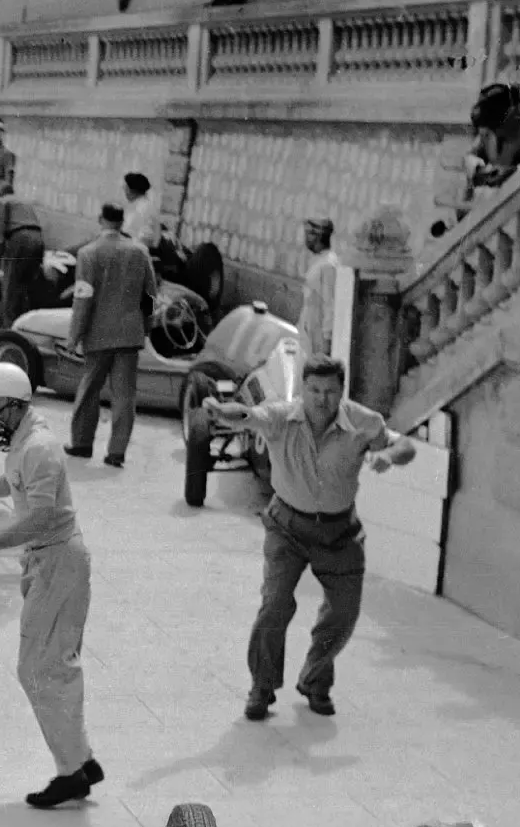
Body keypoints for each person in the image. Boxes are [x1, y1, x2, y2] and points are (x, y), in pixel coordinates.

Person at [200, 355, 417, 721]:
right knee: (275, 605)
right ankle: (261, 688)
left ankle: (315, 679)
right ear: (303, 389)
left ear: (342, 392)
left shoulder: (364, 422)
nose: (322, 399)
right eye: (314, 390)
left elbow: (404, 446)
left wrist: (389, 457)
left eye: (330, 391)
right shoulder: (282, 416)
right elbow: (246, 415)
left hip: (339, 530)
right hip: (287, 526)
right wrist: (222, 412)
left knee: (344, 613)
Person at [0, 363, 102, 808]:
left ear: (11, 404)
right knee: (56, 664)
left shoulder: (40, 448)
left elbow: (42, 516)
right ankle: (80, 759)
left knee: (37, 669)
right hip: (54, 562)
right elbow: (14, 484)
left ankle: (71, 771)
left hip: (57, 562)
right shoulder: (28, 442)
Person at [65, 201, 157, 467]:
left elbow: (83, 299)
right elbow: (150, 294)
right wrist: (146, 324)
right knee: (125, 395)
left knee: (89, 390)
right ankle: (116, 452)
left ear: (100, 219)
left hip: (98, 334)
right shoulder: (139, 252)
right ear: (122, 221)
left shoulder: (88, 253)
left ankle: (82, 444)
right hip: (129, 334)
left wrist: (74, 336)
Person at [463, 84, 520, 199]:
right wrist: (480, 169)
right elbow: (471, 155)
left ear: (513, 111)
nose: (495, 130)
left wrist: (515, 172)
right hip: (492, 202)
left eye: (498, 123)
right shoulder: (488, 131)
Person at [0, 187, 43, 330]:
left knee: (10, 288)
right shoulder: (24, 202)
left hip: (20, 239)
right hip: (38, 239)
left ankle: (7, 330)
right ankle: (26, 326)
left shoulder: (2, 201)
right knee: (26, 287)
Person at [298, 216, 340, 356]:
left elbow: (330, 305)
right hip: (309, 336)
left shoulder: (328, 265)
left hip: (319, 342)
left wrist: (327, 342)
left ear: (316, 236)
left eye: (308, 234)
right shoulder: (318, 261)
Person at [121, 171, 157, 250]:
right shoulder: (141, 205)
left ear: (133, 190)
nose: (125, 192)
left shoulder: (143, 208)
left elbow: (144, 238)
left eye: (126, 189)